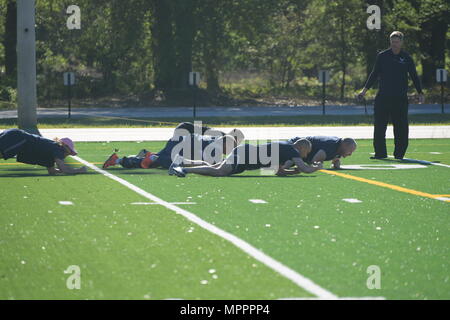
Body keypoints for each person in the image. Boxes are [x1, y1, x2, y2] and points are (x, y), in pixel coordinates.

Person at [358, 31, 424, 160]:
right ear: (390, 42)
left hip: (400, 99)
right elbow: (374, 74)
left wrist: (420, 92)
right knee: (379, 126)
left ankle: (399, 154)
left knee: (401, 127)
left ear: (401, 42)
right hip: (383, 97)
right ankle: (380, 153)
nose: (394, 44)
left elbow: (414, 76)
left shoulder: (406, 58)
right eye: (392, 42)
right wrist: (364, 91)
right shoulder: (382, 56)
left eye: (397, 42)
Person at [102, 122, 244, 169]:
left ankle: (117, 160)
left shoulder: (218, 139)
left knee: (154, 163)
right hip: (181, 145)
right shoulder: (216, 144)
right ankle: (149, 156)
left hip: (179, 144)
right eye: (232, 146)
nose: (231, 149)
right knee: (163, 162)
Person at [168, 139, 322, 177]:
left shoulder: (287, 149)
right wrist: (317, 167)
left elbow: (278, 172)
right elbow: (305, 168)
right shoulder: (292, 150)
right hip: (246, 156)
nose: (306, 155)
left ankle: (182, 162)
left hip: (245, 154)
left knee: (216, 166)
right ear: (301, 147)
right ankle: (182, 169)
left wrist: (292, 173)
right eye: (306, 152)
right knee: (220, 171)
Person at [0, 128, 87, 175]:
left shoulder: (51, 151)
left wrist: (62, 170)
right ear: (65, 147)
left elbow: (52, 171)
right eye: (69, 153)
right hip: (18, 138)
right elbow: (64, 169)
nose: (67, 155)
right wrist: (79, 170)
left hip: (16, 135)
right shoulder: (58, 149)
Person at [287, 136, 357, 169]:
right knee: (289, 163)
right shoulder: (330, 147)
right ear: (344, 145)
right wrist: (318, 165)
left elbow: (336, 161)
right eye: (350, 151)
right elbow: (313, 162)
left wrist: (336, 163)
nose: (350, 154)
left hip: (298, 146)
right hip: (294, 145)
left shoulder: (339, 146)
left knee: (295, 162)